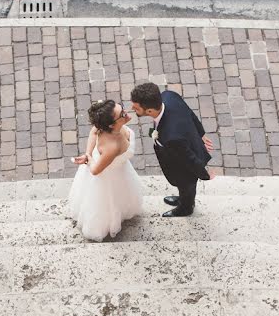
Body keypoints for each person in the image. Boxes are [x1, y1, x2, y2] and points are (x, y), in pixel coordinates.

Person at [129, 82, 214, 217]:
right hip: (181, 146)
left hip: (184, 168)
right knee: (184, 189)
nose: (132, 108)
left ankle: (186, 208)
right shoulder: (169, 96)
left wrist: (205, 174)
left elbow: (189, 159)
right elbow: (190, 113)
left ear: (150, 111)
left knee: (187, 186)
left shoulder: (171, 137)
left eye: (136, 107)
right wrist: (201, 133)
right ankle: (182, 199)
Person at [67, 99, 143, 241]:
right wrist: (89, 160)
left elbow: (94, 132)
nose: (126, 113)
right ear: (111, 124)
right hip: (107, 174)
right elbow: (95, 170)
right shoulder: (112, 146)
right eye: (122, 114)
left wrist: (88, 154)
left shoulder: (104, 126)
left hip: (117, 169)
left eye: (122, 109)